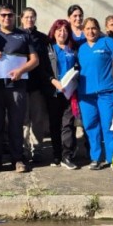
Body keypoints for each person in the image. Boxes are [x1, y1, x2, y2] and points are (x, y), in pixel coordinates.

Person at [0, 4, 39, 173]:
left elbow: (35, 60)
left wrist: (21, 70)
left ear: (15, 17)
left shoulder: (23, 35)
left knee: (15, 125)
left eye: (10, 15)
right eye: (4, 15)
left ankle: (18, 159)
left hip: (17, 88)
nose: (7, 18)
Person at [76, 17, 113, 170]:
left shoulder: (108, 42)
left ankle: (112, 158)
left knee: (108, 125)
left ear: (99, 29)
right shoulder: (81, 48)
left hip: (106, 92)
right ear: (83, 31)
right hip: (86, 95)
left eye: (93, 28)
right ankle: (96, 158)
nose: (91, 31)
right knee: (91, 126)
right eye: (87, 29)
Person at [41, 19, 79, 169]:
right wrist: (53, 81)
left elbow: (79, 67)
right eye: (59, 30)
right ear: (54, 32)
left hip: (71, 93)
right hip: (54, 92)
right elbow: (43, 70)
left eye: (65, 30)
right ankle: (57, 154)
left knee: (68, 124)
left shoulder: (73, 48)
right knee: (55, 124)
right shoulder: (48, 48)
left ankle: (67, 155)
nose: (62, 33)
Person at [20, 7, 51, 164]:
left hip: (37, 85)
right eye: (27, 17)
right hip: (20, 85)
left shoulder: (43, 38)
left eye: (32, 17)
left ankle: (37, 150)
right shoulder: (16, 36)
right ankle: (24, 150)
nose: (29, 19)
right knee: (23, 120)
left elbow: (46, 61)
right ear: (21, 19)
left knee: (37, 119)